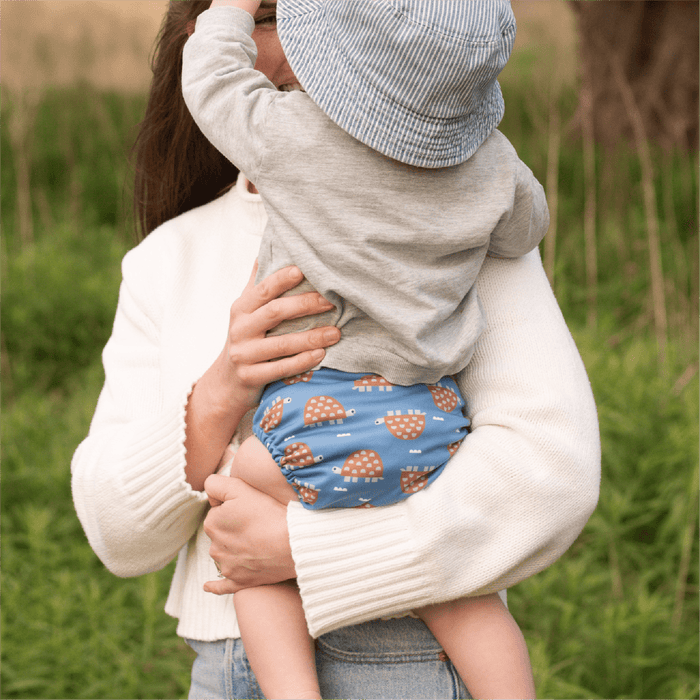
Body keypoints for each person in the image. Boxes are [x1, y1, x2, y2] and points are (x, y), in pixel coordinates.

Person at [71, 1, 601, 699]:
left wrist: (300, 551)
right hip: (227, 670)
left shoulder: (317, 153)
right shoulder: (167, 257)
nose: (301, 41)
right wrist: (216, 396)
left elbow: (551, 471)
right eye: (268, 13)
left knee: (243, 493)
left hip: (405, 655)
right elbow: (115, 534)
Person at [180, 1, 548, 697]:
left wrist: (228, 10)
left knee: (244, 535)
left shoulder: (291, 137)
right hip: (430, 426)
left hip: (310, 420)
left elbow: (213, 85)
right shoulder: (493, 162)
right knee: (464, 598)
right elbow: (525, 228)